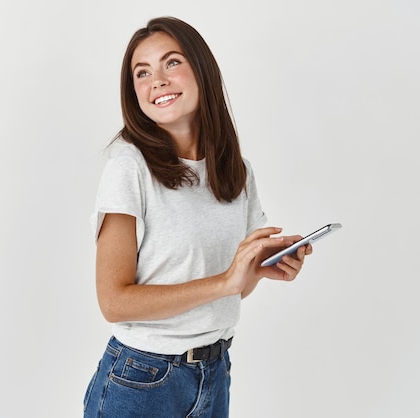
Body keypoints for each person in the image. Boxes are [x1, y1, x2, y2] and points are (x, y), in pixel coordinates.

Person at [83, 16, 313, 418]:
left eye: (171, 62)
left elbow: (228, 291)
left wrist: (258, 270)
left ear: (202, 71)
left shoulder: (235, 170)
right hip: (142, 380)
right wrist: (225, 280)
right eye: (142, 72)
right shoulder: (130, 168)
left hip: (214, 372)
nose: (157, 80)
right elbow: (113, 301)